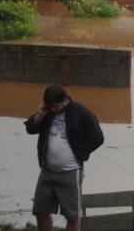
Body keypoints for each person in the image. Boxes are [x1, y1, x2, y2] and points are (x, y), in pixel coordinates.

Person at [24, 84, 104, 231]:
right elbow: (31, 129)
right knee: (40, 210)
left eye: (56, 106)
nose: (53, 110)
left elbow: (97, 138)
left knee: (72, 215)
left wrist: (81, 152)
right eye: (50, 107)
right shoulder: (47, 113)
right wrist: (39, 116)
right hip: (47, 172)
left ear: (65, 100)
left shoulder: (81, 112)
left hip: (70, 172)